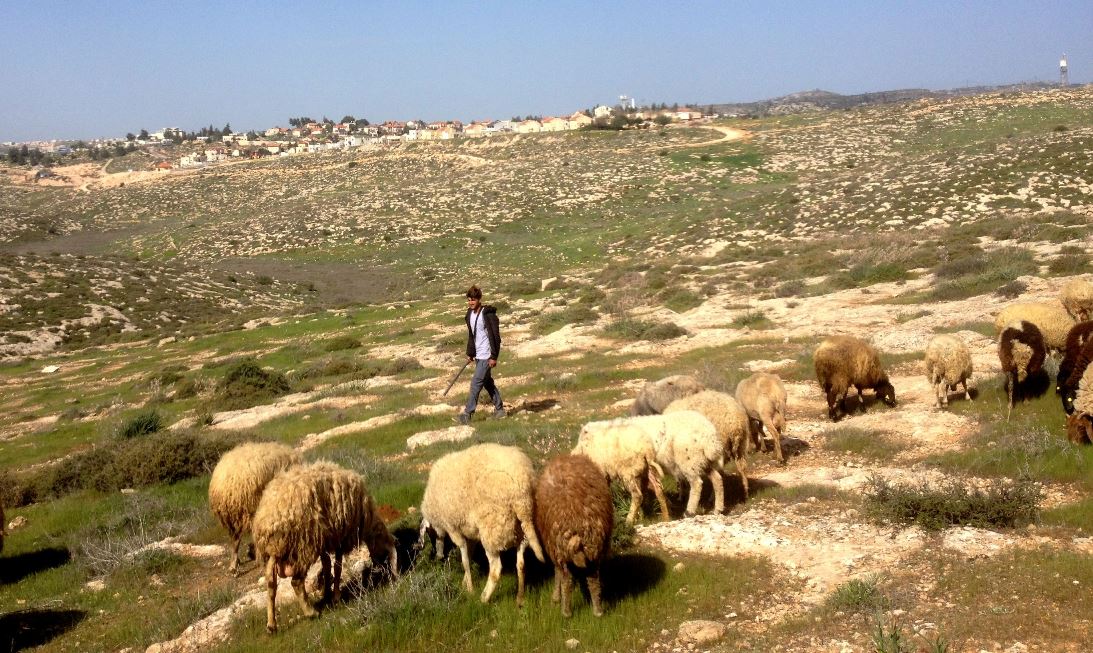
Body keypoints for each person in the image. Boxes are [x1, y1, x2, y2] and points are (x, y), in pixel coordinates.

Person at [459, 285, 504, 424]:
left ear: (479, 299)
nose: (471, 302)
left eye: (473, 300)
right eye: (469, 300)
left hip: (486, 355)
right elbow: (472, 336)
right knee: (487, 383)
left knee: (476, 383)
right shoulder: (469, 315)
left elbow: (496, 337)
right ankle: (500, 410)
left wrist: (493, 357)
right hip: (478, 355)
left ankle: (467, 414)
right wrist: (470, 353)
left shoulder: (488, 315)